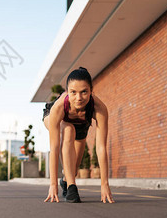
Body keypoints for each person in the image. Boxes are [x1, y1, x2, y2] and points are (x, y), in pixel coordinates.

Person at [42, 67, 114, 203]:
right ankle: (71, 187)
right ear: (67, 91)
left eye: (84, 92)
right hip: (57, 119)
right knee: (68, 129)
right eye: (73, 92)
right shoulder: (59, 107)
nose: (79, 98)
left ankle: (66, 181)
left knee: (73, 169)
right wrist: (52, 185)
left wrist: (104, 184)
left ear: (91, 91)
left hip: (82, 125)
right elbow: (55, 147)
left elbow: (101, 148)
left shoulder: (99, 108)